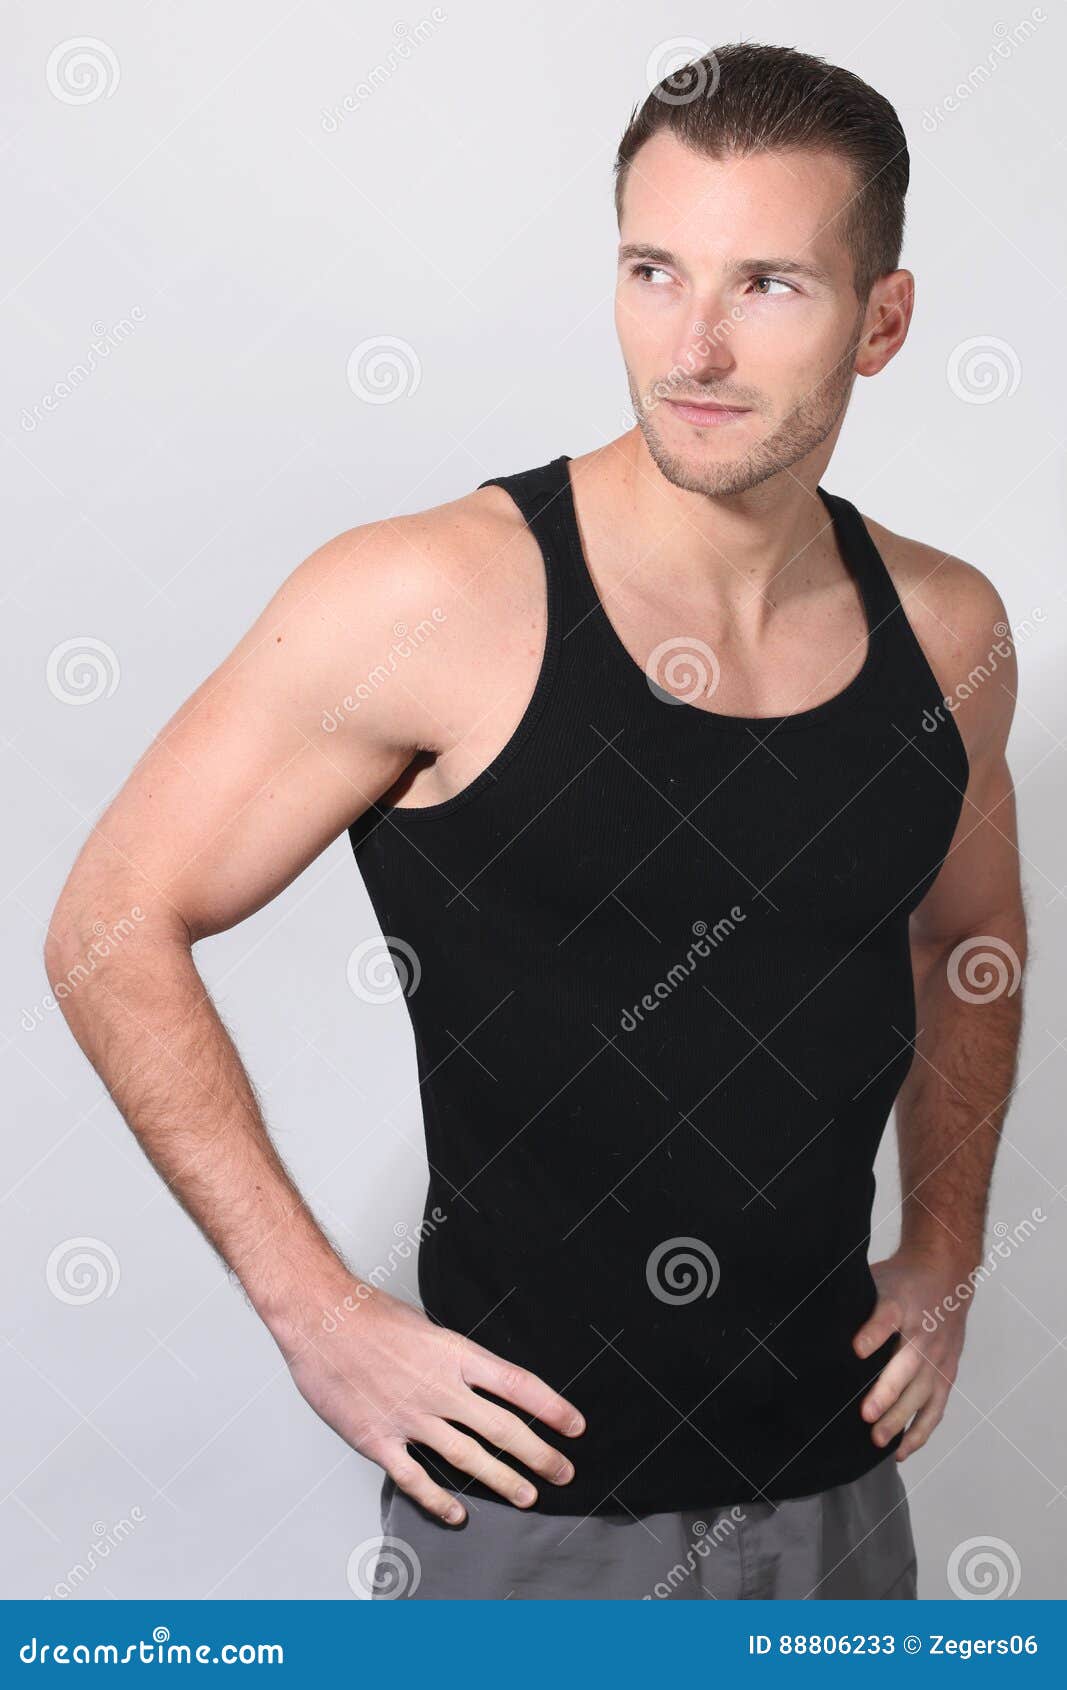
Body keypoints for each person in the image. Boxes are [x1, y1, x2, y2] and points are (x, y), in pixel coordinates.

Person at [46, 42, 1027, 1600]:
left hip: (838, 1491)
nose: (692, 344)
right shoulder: (432, 597)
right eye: (654, 269)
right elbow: (108, 922)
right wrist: (316, 1310)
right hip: (527, 1514)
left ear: (883, 319)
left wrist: (946, 1249)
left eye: (767, 283)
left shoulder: (948, 629)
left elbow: (970, 931)